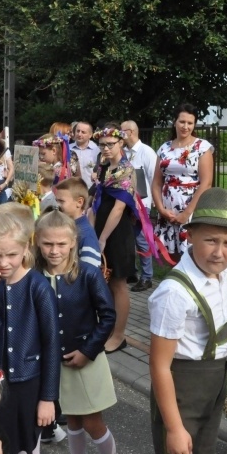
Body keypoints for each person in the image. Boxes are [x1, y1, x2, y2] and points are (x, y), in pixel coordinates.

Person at [148, 187, 227, 454]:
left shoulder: (224, 273)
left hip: (214, 382)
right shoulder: (175, 292)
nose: (219, 252)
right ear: (190, 235)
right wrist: (173, 428)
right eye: (210, 240)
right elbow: (159, 364)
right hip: (182, 388)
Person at [0, 207, 61, 454]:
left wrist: (48, 398)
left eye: (12, 254)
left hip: (28, 385)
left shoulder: (38, 286)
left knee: (28, 451)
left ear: (25, 251)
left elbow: (52, 344)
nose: (4, 262)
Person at [34, 210, 118, 454]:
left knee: (93, 422)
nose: (54, 250)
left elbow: (108, 316)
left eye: (61, 243)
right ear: (37, 240)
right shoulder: (34, 276)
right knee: (71, 417)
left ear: (73, 242)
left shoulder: (88, 274)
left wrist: (87, 350)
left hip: (86, 361)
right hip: (55, 363)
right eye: (47, 243)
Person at [91, 125, 144, 353]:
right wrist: (90, 232)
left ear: (121, 143)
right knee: (105, 282)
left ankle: (119, 335)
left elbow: (118, 209)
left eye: (110, 144)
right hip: (101, 229)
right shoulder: (102, 166)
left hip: (118, 233)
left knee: (118, 283)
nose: (105, 149)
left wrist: (101, 239)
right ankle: (107, 328)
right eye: (102, 145)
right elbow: (95, 200)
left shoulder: (127, 169)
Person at [152, 104, 214, 262]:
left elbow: (206, 183)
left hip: (191, 210)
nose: (185, 126)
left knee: (192, 256)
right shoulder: (164, 148)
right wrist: (161, 209)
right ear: (174, 122)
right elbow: (157, 182)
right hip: (167, 213)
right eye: (182, 121)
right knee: (170, 257)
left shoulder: (202, 147)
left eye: (190, 123)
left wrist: (186, 214)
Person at [121, 119, 158, 293]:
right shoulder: (124, 152)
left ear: (131, 132)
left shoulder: (147, 152)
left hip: (142, 205)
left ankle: (147, 277)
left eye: (122, 132)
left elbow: (154, 179)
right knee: (128, 239)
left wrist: (149, 205)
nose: (120, 135)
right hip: (125, 203)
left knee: (142, 241)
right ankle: (132, 272)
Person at [55, 177, 102, 267]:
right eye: (56, 200)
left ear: (79, 202)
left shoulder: (86, 235)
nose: (57, 205)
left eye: (61, 201)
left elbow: (90, 273)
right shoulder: (66, 225)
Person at [70, 121, 100, 188]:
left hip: (91, 190)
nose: (79, 134)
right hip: (72, 189)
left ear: (90, 135)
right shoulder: (68, 149)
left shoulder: (97, 151)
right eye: (78, 131)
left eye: (83, 132)